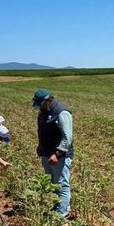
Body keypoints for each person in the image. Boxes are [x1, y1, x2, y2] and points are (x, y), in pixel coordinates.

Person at [33, 89, 74, 218]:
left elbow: (67, 137)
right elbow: (41, 130)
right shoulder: (43, 112)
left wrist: (57, 154)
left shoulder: (62, 113)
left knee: (61, 184)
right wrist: (40, 145)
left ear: (50, 100)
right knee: (53, 183)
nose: (40, 108)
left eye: (42, 104)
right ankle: (57, 207)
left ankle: (63, 214)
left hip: (59, 156)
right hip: (46, 154)